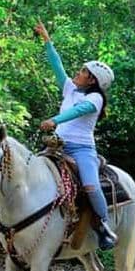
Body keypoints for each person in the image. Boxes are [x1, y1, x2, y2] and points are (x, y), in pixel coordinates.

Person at [34, 21, 117, 251]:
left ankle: (103, 226)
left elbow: (78, 112)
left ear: (92, 80)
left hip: (82, 150)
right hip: (57, 147)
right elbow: (57, 66)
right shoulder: (70, 88)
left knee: (90, 185)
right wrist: (47, 40)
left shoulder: (96, 99)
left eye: (82, 71)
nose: (77, 73)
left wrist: (54, 120)